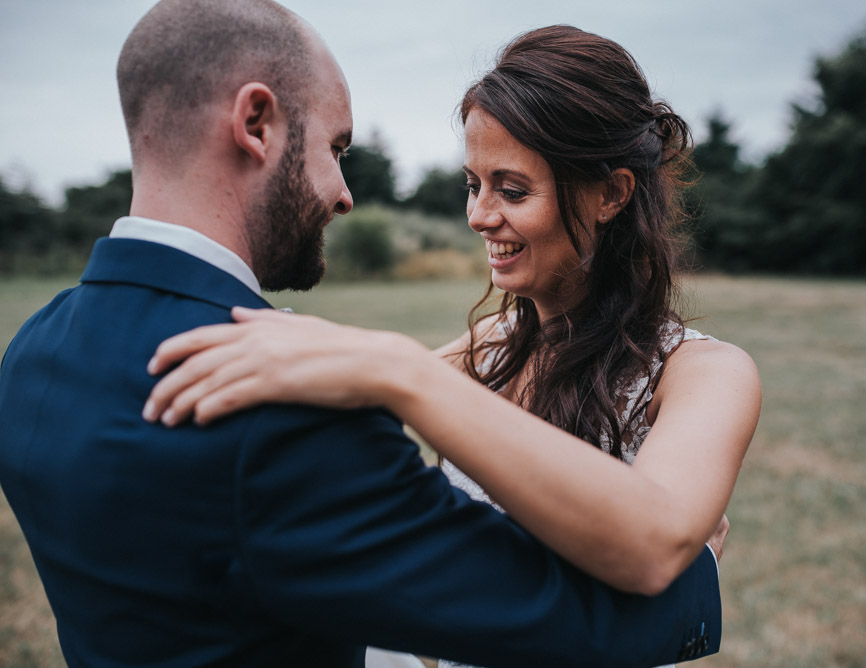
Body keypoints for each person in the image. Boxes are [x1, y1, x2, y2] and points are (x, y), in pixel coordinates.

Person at [0, 2, 727, 667]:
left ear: (612, 195)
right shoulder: (281, 414)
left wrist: (394, 367)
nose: (346, 194)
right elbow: (520, 608)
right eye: (336, 148)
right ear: (256, 124)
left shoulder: (30, 356)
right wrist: (697, 585)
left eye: (509, 188)